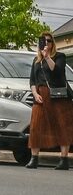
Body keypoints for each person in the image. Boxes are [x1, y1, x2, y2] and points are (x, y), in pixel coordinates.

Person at [26, 32, 73, 170]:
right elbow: (32, 81)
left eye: (49, 41)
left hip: (58, 96)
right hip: (40, 96)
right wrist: (35, 94)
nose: (46, 44)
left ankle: (63, 159)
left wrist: (47, 57)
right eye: (43, 41)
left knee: (62, 126)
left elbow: (57, 71)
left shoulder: (60, 57)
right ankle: (34, 158)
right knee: (36, 126)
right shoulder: (36, 61)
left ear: (53, 43)